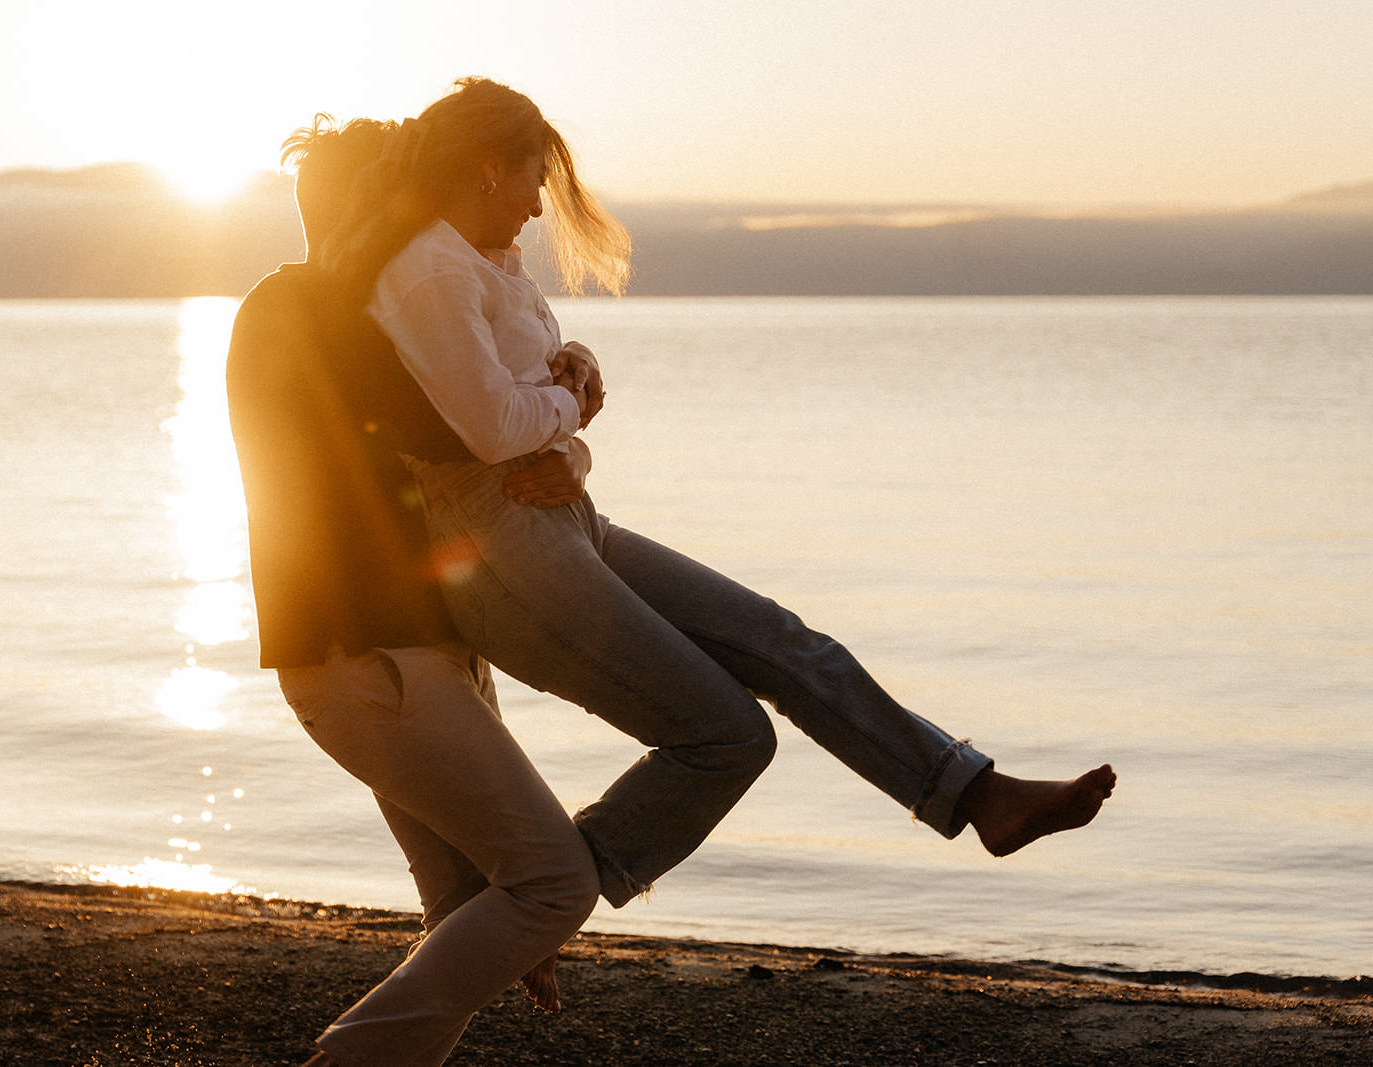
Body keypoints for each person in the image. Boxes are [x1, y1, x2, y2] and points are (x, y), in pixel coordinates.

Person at [313, 78, 1117, 916]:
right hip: (501, 544)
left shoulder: (480, 260)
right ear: (486, 169)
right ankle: (534, 898)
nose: (539, 208)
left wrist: (574, 406)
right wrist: (573, 407)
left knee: (787, 644)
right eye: (533, 181)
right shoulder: (428, 269)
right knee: (729, 734)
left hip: (560, 516)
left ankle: (976, 796)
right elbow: (489, 428)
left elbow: (522, 403)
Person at [226, 117, 601, 1067]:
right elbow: (476, 432)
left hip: (409, 654)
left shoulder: (330, 314)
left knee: (469, 912)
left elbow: (482, 435)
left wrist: (564, 426)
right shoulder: (310, 312)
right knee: (554, 883)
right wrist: (574, 404)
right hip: (369, 659)